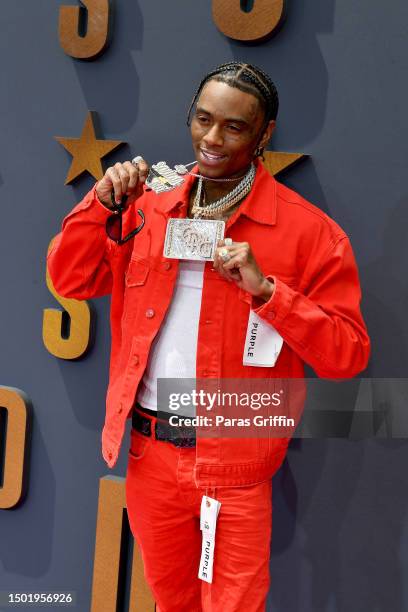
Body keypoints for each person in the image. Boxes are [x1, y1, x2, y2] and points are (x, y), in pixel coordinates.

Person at [47, 62, 370, 611]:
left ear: (265, 133)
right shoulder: (147, 206)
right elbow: (70, 278)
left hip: (236, 463)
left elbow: (347, 354)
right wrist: (100, 200)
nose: (212, 139)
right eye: (203, 119)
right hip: (151, 456)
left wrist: (269, 292)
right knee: (172, 604)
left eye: (234, 127)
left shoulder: (309, 231)